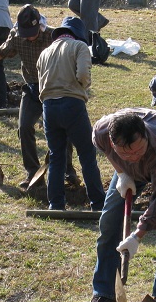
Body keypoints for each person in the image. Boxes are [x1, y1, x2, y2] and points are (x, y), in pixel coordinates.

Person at [83, 108, 156, 302]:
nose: (132, 157)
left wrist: (137, 237)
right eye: (125, 153)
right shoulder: (103, 131)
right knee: (109, 221)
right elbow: (100, 144)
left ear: (145, 138)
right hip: (127, 172)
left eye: (137, 151)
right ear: (113, 144)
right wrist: (122, 172)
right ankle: (104, 293)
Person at [0, 4, 78, 189]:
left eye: (32, 32)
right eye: (25, 32)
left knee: (62, 128)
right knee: (24, 126)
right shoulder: (16, 36)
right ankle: (32, 173)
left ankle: (68, 171)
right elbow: (2, 51)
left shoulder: (53, 36)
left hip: (55, 88)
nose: (29, 36)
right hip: (32, 88)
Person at [37, 17, 105, 212]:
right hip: (72, 104)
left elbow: (40, 82)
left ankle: (55, 204)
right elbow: (83, 74)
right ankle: (98, 204)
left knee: (57, 156)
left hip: (49, 107)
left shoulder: (44, 53)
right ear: (78, 34)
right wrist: (83, 86)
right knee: (87, 154)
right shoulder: (79, 47)